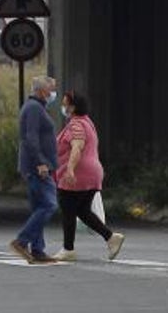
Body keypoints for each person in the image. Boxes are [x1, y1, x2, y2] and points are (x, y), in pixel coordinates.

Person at [52, 90, 126, 262]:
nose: (64, 107)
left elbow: (77, 146)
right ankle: (111, 237)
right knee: (82, 210)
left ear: (73, 107)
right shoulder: (88, 122)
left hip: (78, 173)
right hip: (93, 173)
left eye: (66, 104)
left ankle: (68, 249)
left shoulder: (76, 125)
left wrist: (70, 169)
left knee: (68, 209)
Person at [9, 76, 60, 265]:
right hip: (38, 167)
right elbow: (30, 138)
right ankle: (22, 242)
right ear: (40, 91)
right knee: (49, 204)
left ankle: (38, 250)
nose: (53, 93)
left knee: (39, 207)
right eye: (50, 89)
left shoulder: (37, 108)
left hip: (38, 165)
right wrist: (40, 162)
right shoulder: (33, 109)